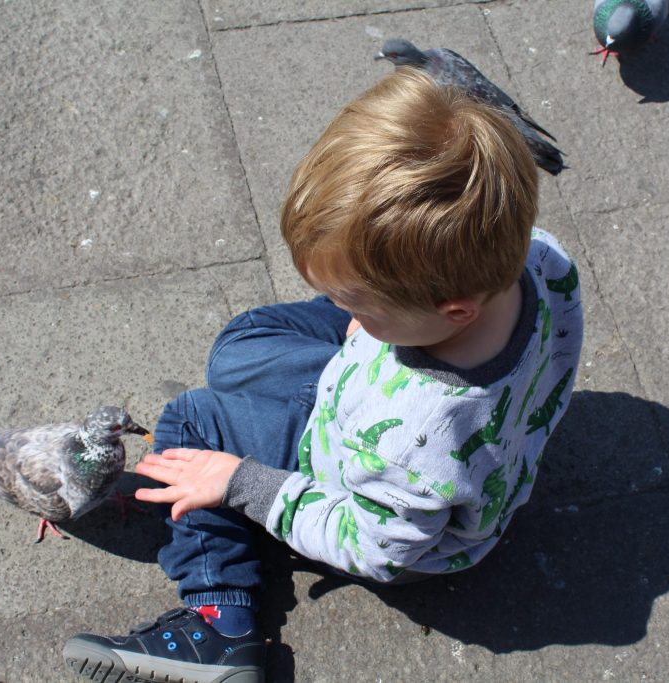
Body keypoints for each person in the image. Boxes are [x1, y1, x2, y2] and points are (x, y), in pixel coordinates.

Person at [62, 67, 583, 683]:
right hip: (393, 404)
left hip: (367, 487)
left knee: (191, 418)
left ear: (452, 310)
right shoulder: (539, 256)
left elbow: (377, 549)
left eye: (358, 304)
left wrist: (245, 484)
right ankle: (368, 338)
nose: (344, 313)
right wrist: (380, 321)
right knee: (241, 344)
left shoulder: (416, 442)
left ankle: (219, 623)